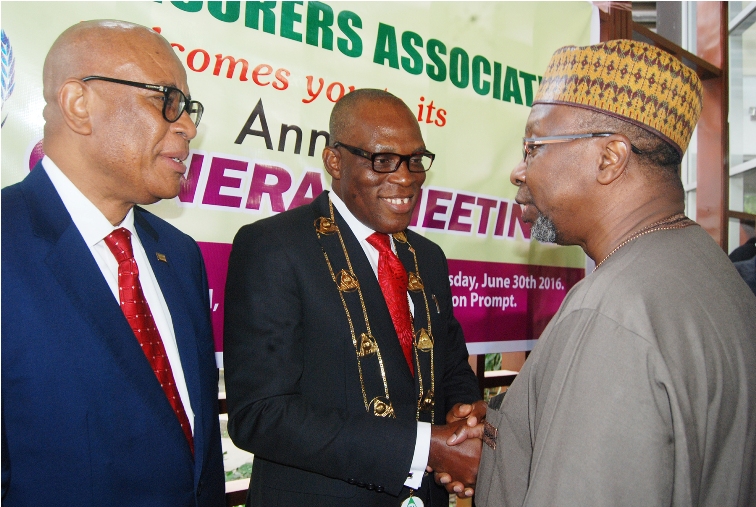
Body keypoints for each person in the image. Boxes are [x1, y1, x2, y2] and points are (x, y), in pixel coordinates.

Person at [463, 40, 756, 506]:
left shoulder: (609, 313)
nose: (520, 171)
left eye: (534, 145)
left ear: (610, 158)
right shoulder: (711, 273)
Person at [224, 88, 484, 506]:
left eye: (415, 160)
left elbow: (450, 366)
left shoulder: (427, 257)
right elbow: (261, 414)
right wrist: (425, 448)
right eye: (382, 160)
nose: (405, 177)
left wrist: (463, 418)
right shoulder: (274, 246)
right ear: (334, 160)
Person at [1, 20, 224, 506]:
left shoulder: (180, 255)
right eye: (165, 98)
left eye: (188, 108)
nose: (186, 125)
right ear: (79, 105)